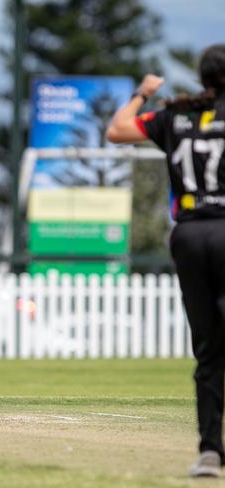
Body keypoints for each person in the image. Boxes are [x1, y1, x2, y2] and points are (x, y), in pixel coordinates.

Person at [106, 44, 225, 478]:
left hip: (190, 234)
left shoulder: (175, 115)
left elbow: (117, 130)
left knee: (208, 349)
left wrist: (143, 92)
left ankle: (210, 451)